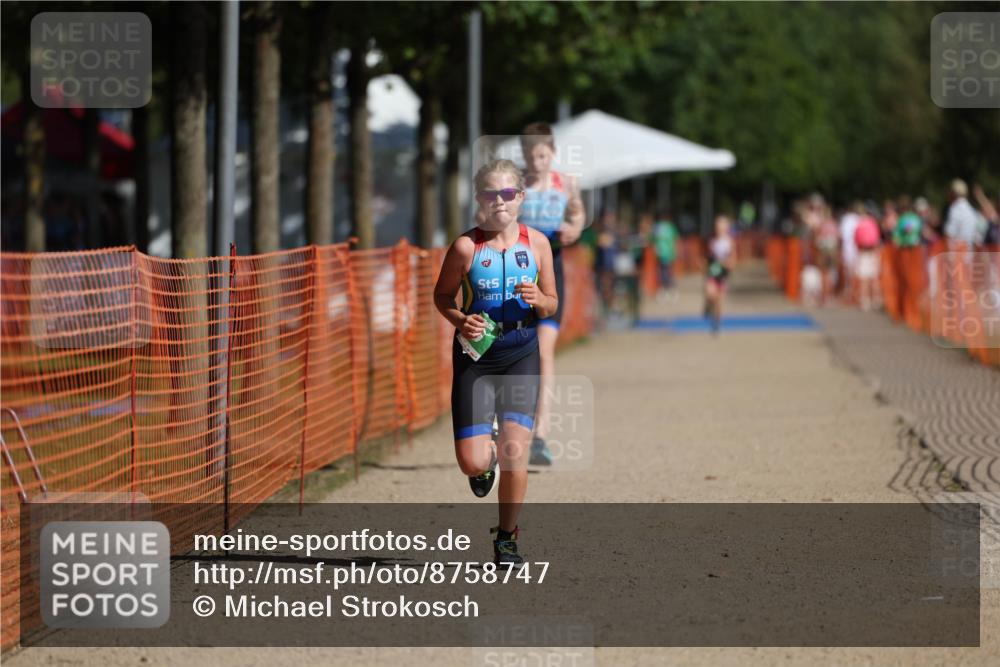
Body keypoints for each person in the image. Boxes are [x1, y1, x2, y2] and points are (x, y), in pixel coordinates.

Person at [433, 159, 558, 564]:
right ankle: (483, 466)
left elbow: (552, 304)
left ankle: (506, 538)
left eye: (507, 193)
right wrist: (460, 319)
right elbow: (442, 296)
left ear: (520, 197)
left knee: (515, 452)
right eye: (490, 193)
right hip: (476, 358)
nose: (499, 201)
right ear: (479, 199)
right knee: (472, 462)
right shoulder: (465, 247)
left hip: (521, 352)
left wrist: (540, 300)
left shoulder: (537, 244)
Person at [517, 123, 586, 466]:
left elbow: (578, 214)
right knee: (512, 351)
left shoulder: (566, 183)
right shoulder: (514, 186)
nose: (537, 163)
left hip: (551, 273)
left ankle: (540, 437)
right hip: (515, 273)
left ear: (553, 153)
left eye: (543, 156)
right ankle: (506, 429)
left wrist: (574, 227)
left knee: (544, 353)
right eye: (531, 157)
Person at [704, 214, 736, 335]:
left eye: (721, 226)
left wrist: (725, 263)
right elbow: (707, 257)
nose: (719, 228)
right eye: (717, 226)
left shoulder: (730, 242)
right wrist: (706, 263)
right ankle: (708, 304)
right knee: (710, 293)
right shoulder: (712, 240)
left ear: (726, 228)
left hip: (723, 275)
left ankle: (717, 324)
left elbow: (733, 261)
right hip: (712, 273)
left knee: (719, 300)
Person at [853, 209, 882, 311]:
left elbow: (856, 240)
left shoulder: (859, 224)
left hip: (863, 253)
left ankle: (865, 301)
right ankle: (876, 300)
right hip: (872, 253)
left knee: (864, 279)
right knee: (874, 279)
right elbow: (877, 240)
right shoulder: (873, 224)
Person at [944, 179, 984, 249]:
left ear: (953, 193)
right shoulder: (972, 210)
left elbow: (949, 234)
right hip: (969, 253)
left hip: (956, 253)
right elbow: (978, 239)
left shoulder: (955, 209)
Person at [652, 209, 679, 297]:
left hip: (665, 253)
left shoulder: (659, 227)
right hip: (665, 253)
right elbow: (675, 240)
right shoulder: (665, 227)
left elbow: (653, 240)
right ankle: (667, 289)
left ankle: (668, 289)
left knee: (665, 272)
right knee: (665, 272)